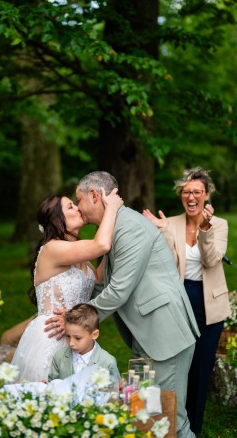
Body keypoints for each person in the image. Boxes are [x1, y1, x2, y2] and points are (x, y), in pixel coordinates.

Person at [45, 171, 200, 438]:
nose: (79, 207)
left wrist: (75, 319)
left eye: (79, 200)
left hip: (165, 337)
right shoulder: (118, 225)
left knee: (168, 416)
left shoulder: (130, 227)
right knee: (143, 411)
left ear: (94, 196)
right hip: (145, 338)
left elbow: (118, 290)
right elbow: (104, 285)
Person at [142, 166, 231, 434]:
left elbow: (211, 259)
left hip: (209, 305)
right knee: (177, 368)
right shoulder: (170, 222)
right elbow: (167, 267)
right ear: (181, 195)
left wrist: (205, 228)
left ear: (206, 195)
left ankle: (193, 428)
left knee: (201, 371)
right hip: (179, 301)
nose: (191, 197)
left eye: (197, 192)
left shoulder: (220, 225)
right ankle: (172, 425)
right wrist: (164, 233)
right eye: (186, 192)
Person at [10, 189, 123, 382]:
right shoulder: (53, 248)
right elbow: (101, 245)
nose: (78, 208)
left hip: (76, 335)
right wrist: (111, 208)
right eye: (71, 206)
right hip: (51, 337)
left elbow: (97, 277)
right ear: (57, 219)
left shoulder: (77, 251)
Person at [48, 303, 120, 386]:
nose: (71, 343)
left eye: (77, 338)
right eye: (67, 336)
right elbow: (52, 383)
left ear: (94, 335)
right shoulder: (59, 356)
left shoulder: (107, 362)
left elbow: (114, 391)